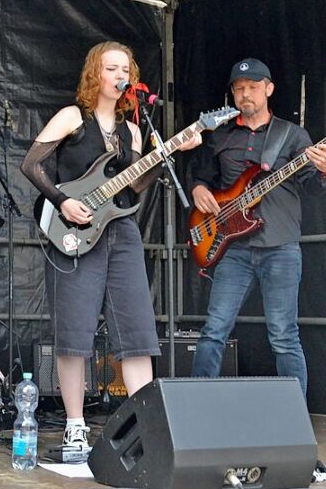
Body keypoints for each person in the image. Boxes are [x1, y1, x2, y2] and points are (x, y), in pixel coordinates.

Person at [20, 41, 201, 455]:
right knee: (74, 332)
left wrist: (169, 151)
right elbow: (31, 164)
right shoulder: (72, 117)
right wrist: (63, 200)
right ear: (95, 75)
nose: (120, 75)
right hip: (74, 234)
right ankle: (75, 425)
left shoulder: (133, 130)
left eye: (126, 69)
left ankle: (146, 424)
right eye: (111, 68)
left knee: (137, 330)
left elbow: (134, 184)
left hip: (121, 233)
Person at [189, 58, 326, 398]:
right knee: (213, 331)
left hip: (280, 246)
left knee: (284, 334)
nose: (245, 94)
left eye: (253, 88)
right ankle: (195, 410)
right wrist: (198, 189)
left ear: (268, 89)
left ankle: (295, 419)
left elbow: (313, 187)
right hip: (232, 247)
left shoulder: (293, 135)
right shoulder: (221, 135)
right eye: (239, 89)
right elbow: (203, 177)